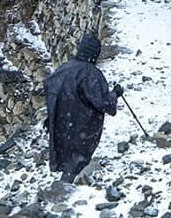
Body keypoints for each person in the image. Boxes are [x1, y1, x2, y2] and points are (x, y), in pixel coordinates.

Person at [43, 34, 122, 184]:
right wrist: (115, 94)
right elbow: (103, 102)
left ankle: (64, 184)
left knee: (67, 157)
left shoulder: (65, 68)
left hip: (62, 121)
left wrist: (52, 114)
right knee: (77, 158)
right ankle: (67, 187)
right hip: (81, 123)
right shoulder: (91, 74)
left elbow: (50, 85)